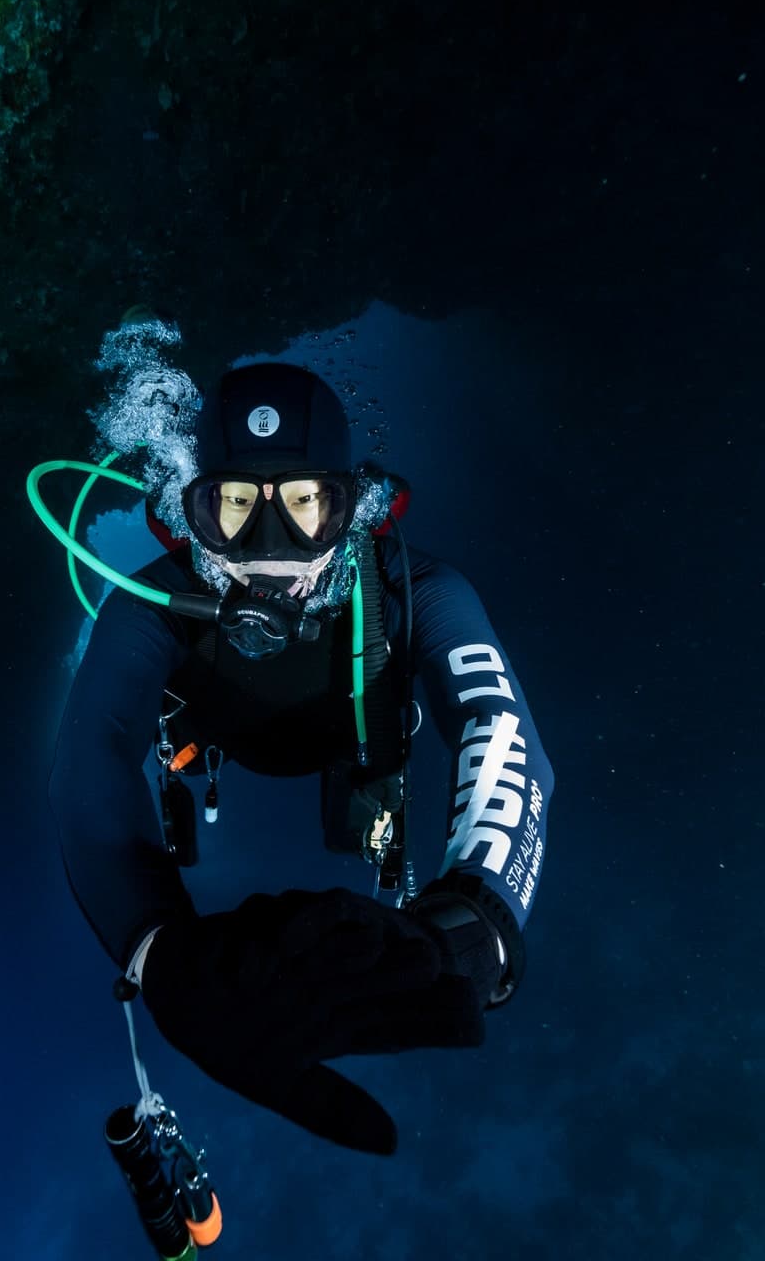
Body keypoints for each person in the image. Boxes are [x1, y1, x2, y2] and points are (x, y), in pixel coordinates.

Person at [47, 359, 555, 1157]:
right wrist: (159, 951)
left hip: (350, 751)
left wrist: (477, 923)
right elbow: (91, 760)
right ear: (194, 509)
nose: (272, 549)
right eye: (237, 507)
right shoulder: (147, 608)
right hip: (225, 748)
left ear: (352, 508)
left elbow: (500, 732)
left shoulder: (418, 591)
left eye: (307, 505)